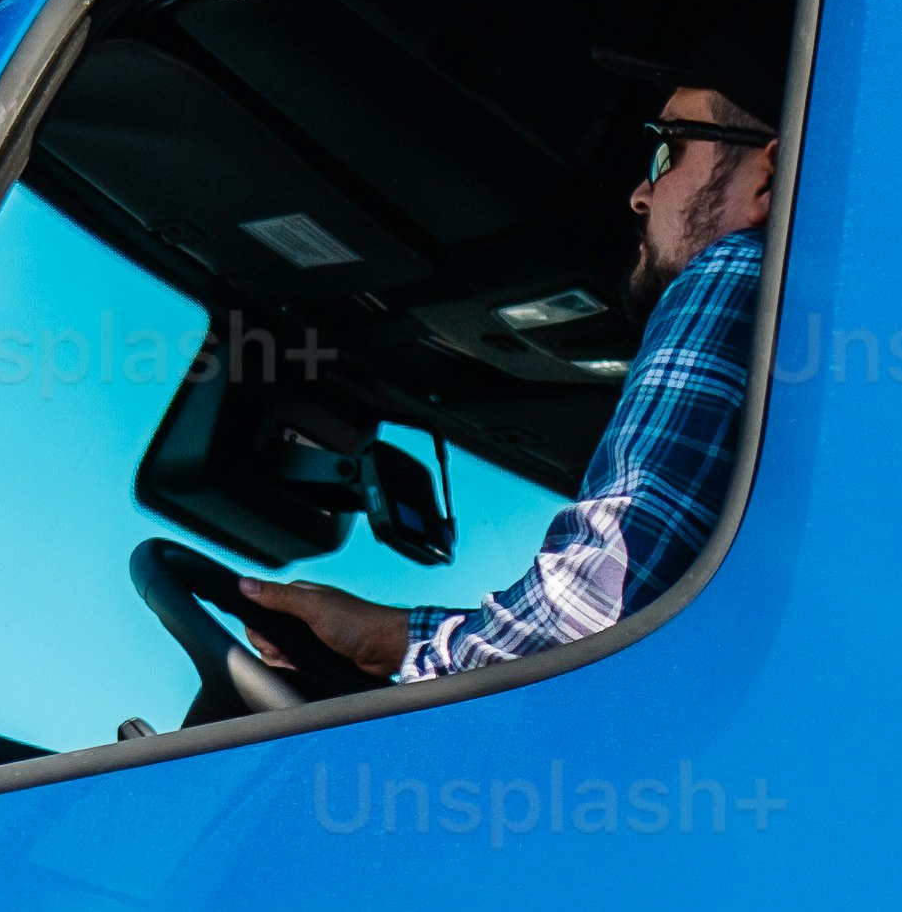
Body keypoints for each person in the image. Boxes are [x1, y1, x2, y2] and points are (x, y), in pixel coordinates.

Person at [233, 73, 779, 693]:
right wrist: (389, 640)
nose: (639, 195)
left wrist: (395, 664)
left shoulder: (735, 267)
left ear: (766, 177)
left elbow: (581, 621)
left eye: (667, 153)